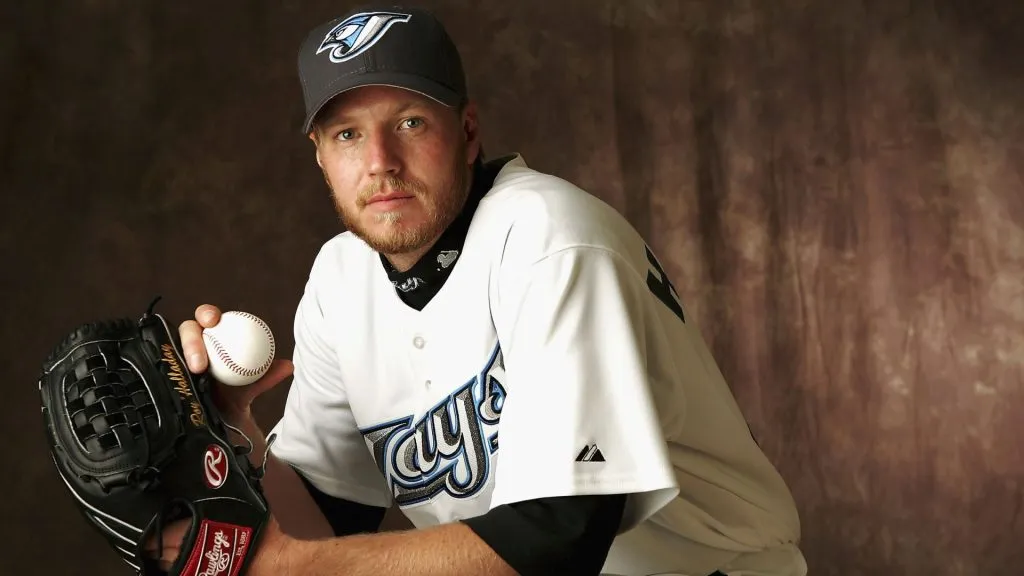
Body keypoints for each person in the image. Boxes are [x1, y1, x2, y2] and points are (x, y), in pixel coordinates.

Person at [156, 5, 807, 575]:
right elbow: (323, 522)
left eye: (410, 122)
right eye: (348, 134)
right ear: (322, 158)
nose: (380, 161)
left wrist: (283, 568)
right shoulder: (339, 279)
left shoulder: (550, 238)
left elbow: (558, 537)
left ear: (467, 133)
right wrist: (230, 436)